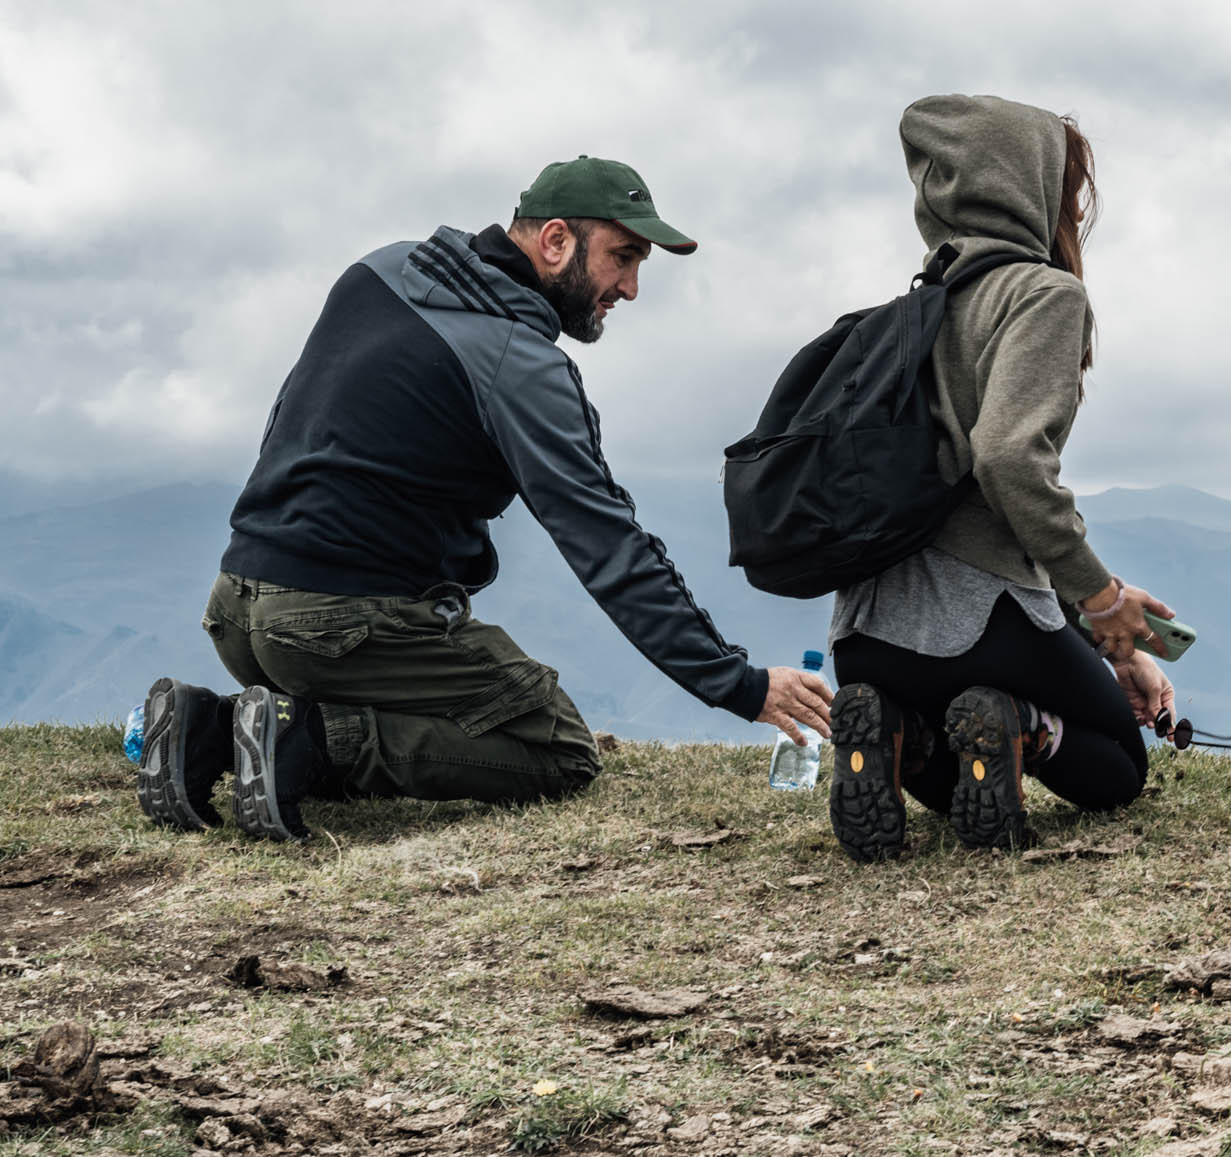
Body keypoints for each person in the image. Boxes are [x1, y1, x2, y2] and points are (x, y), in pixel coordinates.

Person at [137, 157, 832, 842]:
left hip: (234, 607)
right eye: (623, 256)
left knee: (400, 662)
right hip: (333, 629)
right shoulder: (518, 363)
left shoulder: (379, 269)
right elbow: (611, 548)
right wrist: (739, 684)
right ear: (556, 241)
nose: (630, 286)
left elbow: (289, 419)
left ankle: (206, 731)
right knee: (557, 748)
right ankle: (305, 742)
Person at [824, 94, 1178, 861]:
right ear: (1034, 187)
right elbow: (1009, 459)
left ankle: (896, 729)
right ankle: (1023, 721)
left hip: (863, 635)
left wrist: (1100, 642)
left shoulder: (906, 314)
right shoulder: (1042, 294)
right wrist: (1103, 599)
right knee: (1118, 768)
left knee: (956, 775)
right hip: (979, 625)